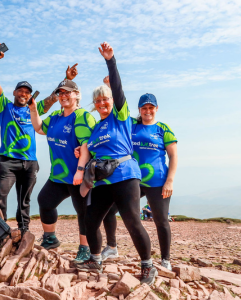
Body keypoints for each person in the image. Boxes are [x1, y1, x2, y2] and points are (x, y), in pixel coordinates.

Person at [75, 42, 158, 285]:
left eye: (105, 100)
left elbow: (118, 89)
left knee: (132, 219)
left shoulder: (120, 116)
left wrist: (110, 61)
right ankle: (95, 258)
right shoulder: (96, 127)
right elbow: (90, 151)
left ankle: (148, 266)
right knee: (90, 220)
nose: (102, 104)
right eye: (98, 101)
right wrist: (82, 152)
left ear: (112, 101)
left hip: (125, 175)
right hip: (102, 180)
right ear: (94, 104)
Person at [97, 89, 178, 270]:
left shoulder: (163, 129)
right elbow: (117, 110)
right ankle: (112, 247)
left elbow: (173, 156)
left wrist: (170, 181)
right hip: (132, 180)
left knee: (161, 220)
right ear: (139, 109)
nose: (147, 111)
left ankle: (165, 259)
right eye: (144, 108)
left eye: (151, 107)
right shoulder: (131, 125)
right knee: (109, 211)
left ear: (156, 108)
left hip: (157, 181)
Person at [0, 43, 59, 233]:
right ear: (14, 93)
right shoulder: (5, 106)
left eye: (27, 92)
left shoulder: (33, 109)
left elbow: (54, 98)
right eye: (20, 90)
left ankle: (24, 231)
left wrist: (66, 79)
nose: (24, 93)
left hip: (30, 162)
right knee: (0, 198)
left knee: (24, 200)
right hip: (8, 161)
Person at [29, 67, 96, 263]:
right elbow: (40, 128)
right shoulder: (57, 118)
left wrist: (81, 171)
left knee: (83, 211)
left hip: (78, 174)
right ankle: (50, 238)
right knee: (45, 201)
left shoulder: (82, 116)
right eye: (61, 93)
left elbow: (86, 145)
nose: (64, 96)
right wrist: (34, 110)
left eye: (68, 92)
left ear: (77, 95)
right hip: (58, 174)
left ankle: (85, 248)